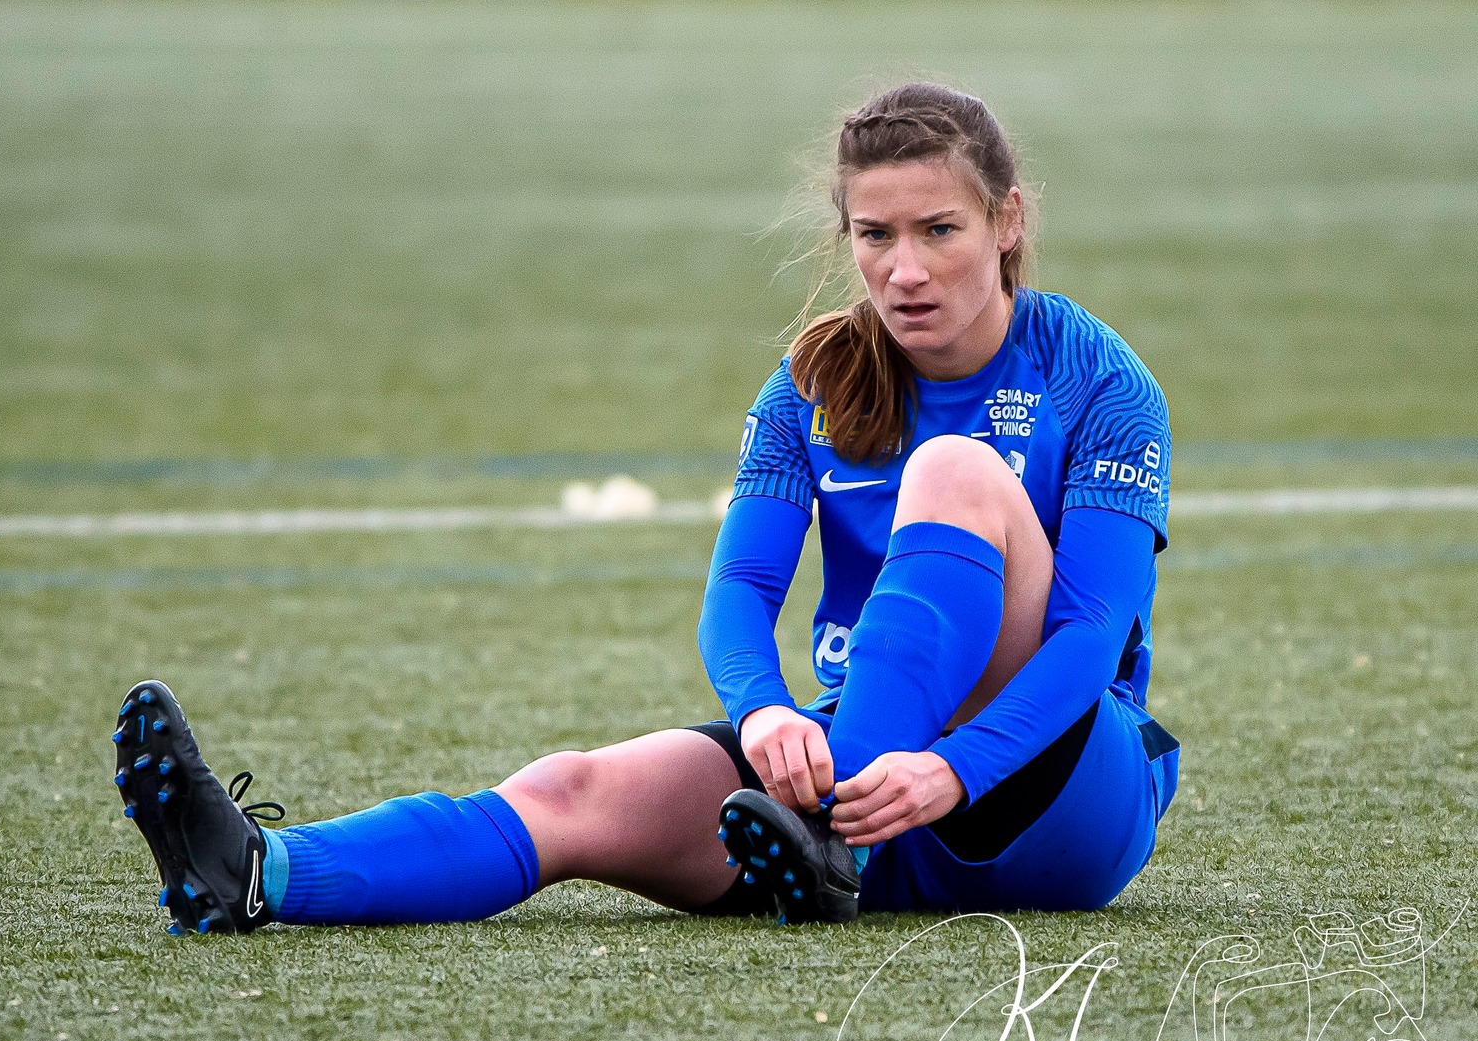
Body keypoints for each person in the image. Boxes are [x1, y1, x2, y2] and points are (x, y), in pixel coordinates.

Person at [111, 82, 1181, 935]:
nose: (901, 270)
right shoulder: (806, 382)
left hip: (1049, 785)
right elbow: (741, 589)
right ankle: (255, 872)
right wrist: (762, 710)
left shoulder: (1096, 378)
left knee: (949, 472)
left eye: (937, 230)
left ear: (1006, 222)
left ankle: (830, 844)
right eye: (873, 235)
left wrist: (946, 768)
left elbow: (1089, 636)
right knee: (574, 792)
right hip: (852, 784)